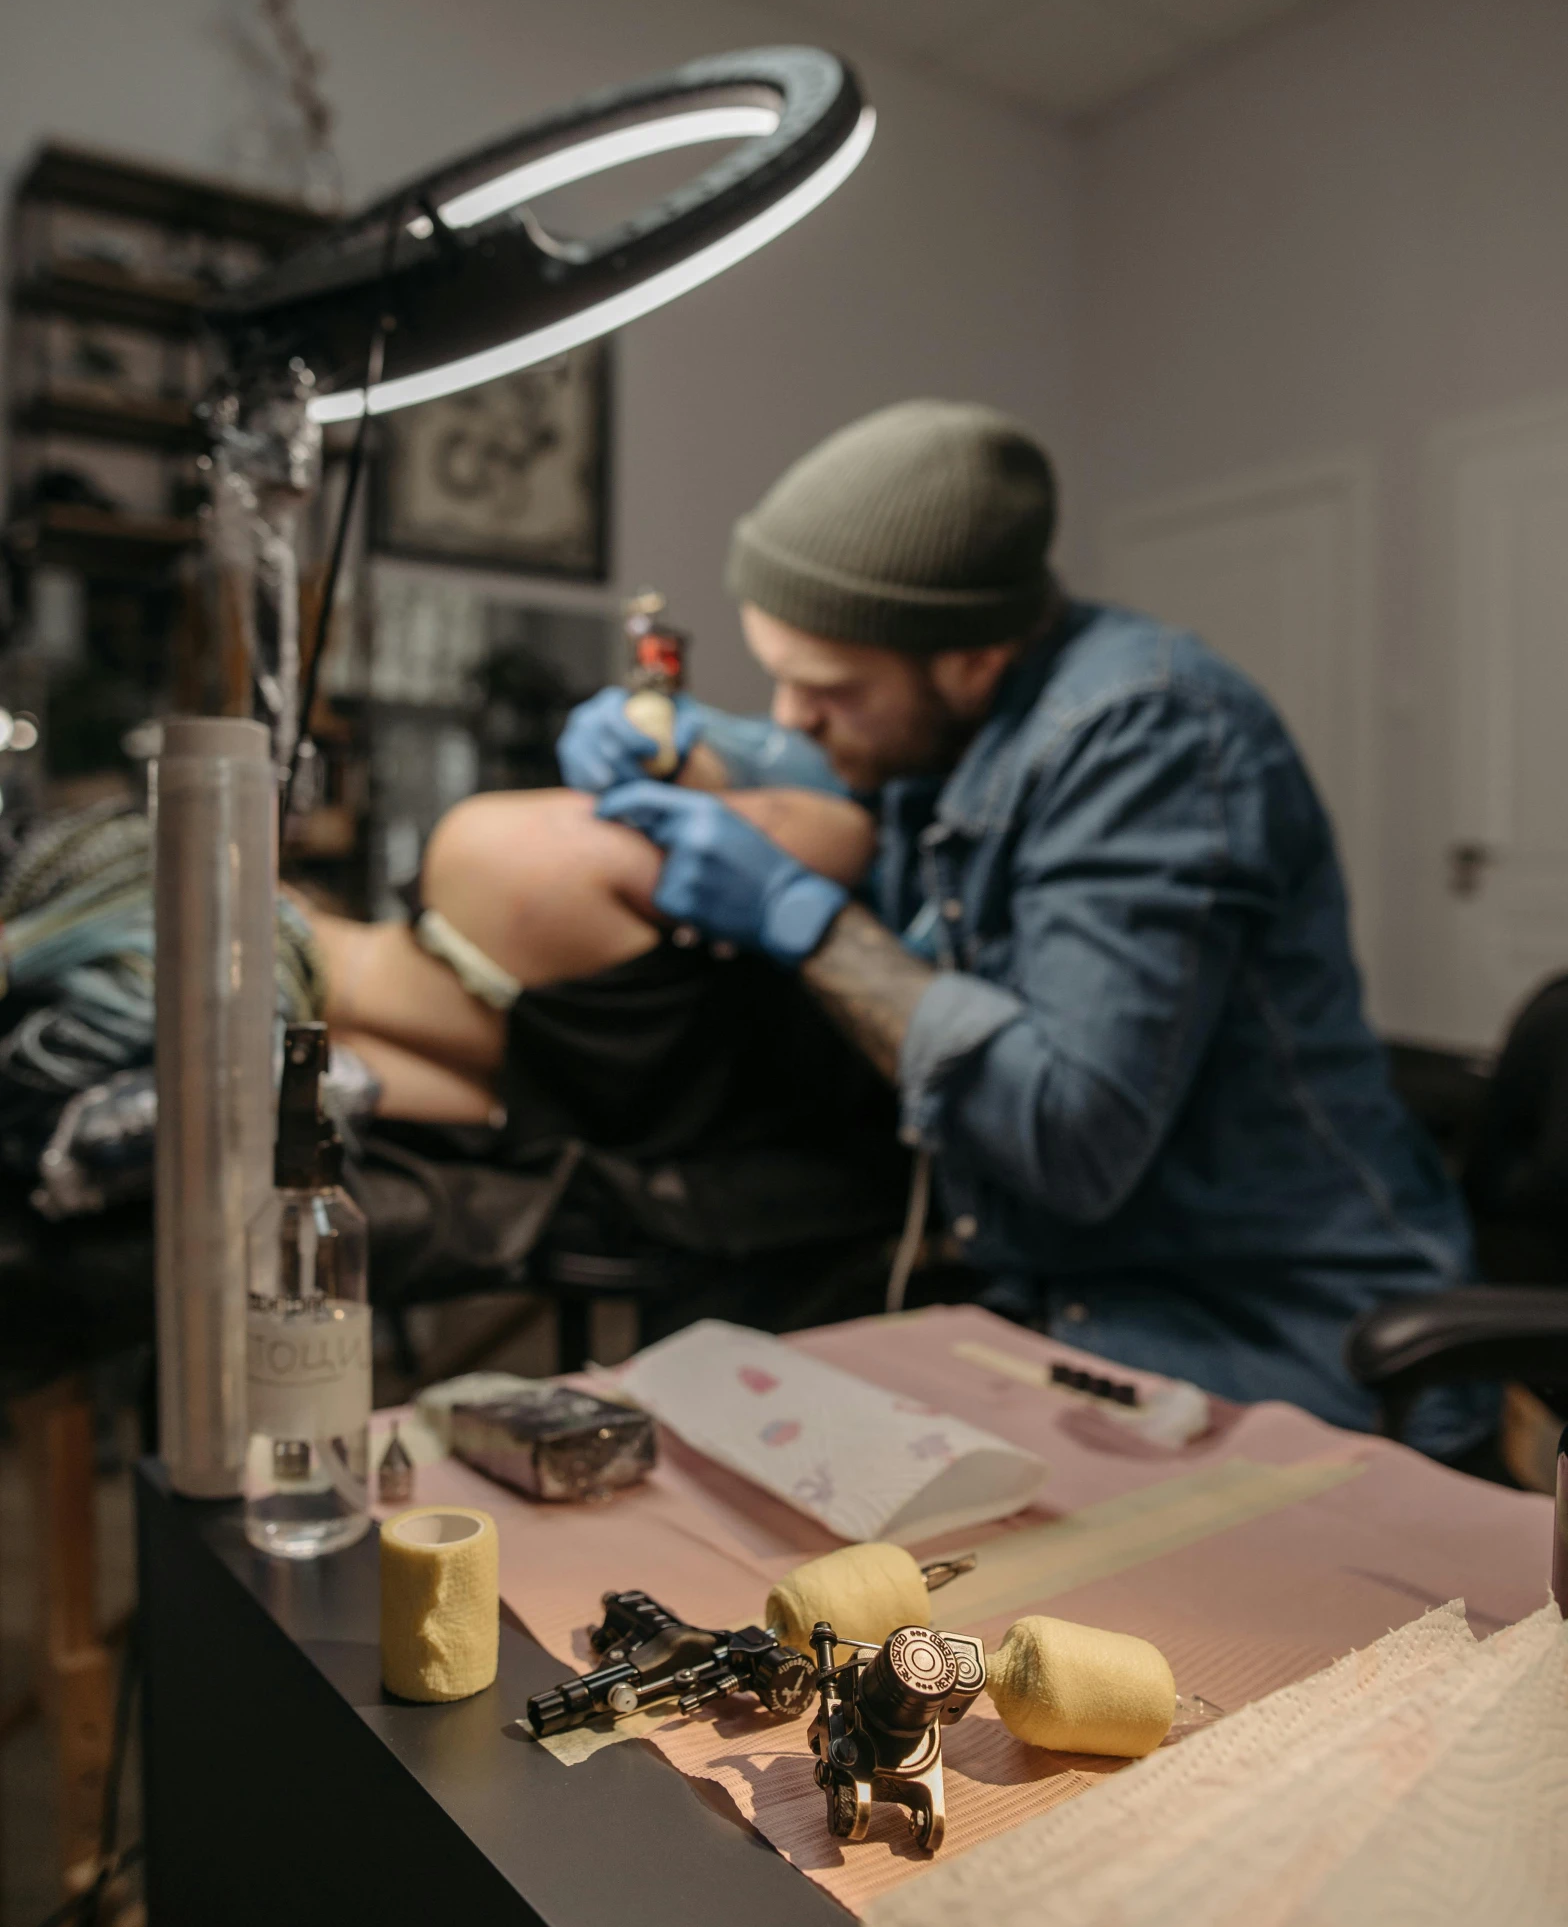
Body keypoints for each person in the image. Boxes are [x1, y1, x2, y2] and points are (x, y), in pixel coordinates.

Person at [318, 400, 1485, 1457]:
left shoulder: (1150, 739)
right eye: (773, 678)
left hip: (1264, 1333)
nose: (793, 718)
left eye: (827, 690)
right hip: (1056, 1299)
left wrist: (802, 921)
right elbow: (829, 773)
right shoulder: (948, 716)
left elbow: (1072, 1131)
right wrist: (695, 741)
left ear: (972, 659)